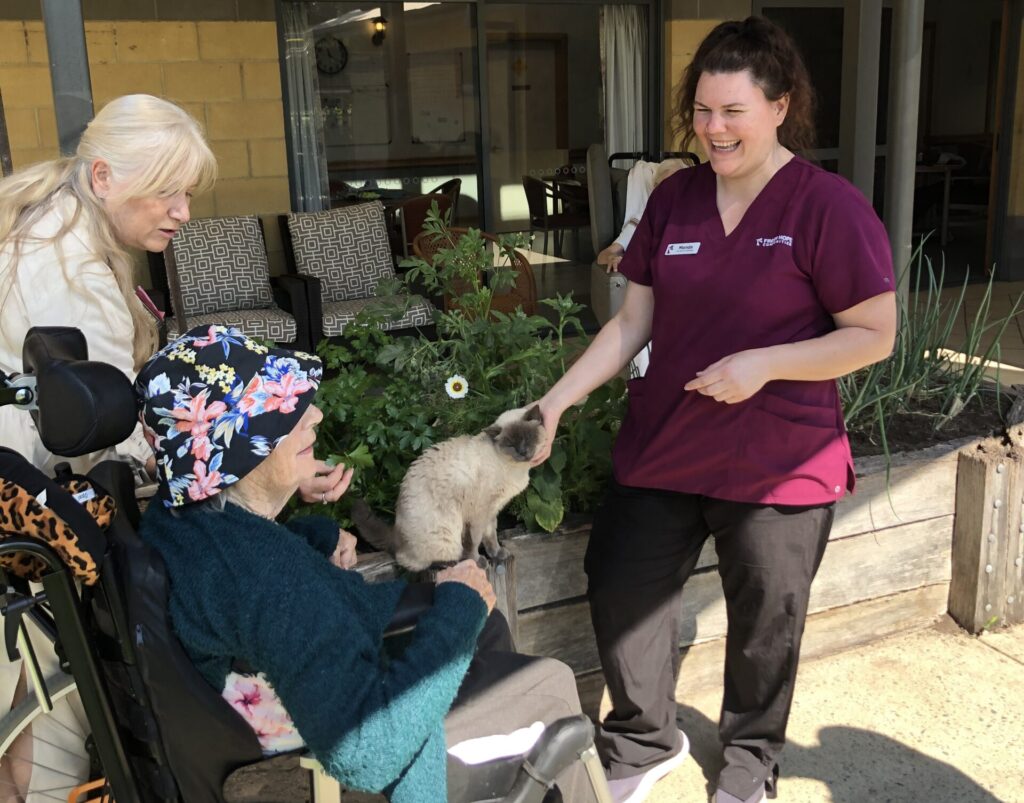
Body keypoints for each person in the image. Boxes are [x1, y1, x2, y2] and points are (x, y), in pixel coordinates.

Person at [532, 16, 897, 803]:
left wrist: (766, 365)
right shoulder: (676, 198)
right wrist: (556, 401)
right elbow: (633, 321)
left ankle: (749, 764)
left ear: (779, 106)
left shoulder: (827, 207)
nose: (713, 129)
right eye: (702, 110)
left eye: (732, 111)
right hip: (668, 438)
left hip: (779, 457)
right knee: (622, 583)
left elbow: (874, 334)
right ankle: (641, 739)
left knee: (766, 620)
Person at [136, 324, 595, 803]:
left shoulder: (178, 517)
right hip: (349, 751)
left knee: (489, 626)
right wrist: (457, 607)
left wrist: (311, 528)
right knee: (552, 684)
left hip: (279, 690)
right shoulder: (274, 583)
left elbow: (246, 568)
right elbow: (367, 754)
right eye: (287, 412)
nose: (313, 414)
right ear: (239, 449)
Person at [0, 93, 216, 477]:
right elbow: (107, 415)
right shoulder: (71, 268)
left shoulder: (55, 215)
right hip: (29, 480)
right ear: (103, 176)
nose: (183, 212)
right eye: (165, 189)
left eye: (188, 192)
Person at [595, 158, 688, 273]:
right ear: (655, 189)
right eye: (665, 187)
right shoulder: (643, 220)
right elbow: (604, 254)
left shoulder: (695, 224)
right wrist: (613, 258)